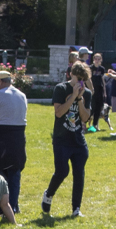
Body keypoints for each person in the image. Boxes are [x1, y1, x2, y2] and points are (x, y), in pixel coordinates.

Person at [41, 61, 91, 219]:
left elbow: (85, 118)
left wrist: (80, 100)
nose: (80, 82)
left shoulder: (87, 94)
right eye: (78, 78)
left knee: (79, 173)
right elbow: (59, 112)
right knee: (62, 171)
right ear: (71, 75)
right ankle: (48, 194)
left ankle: (76, 208)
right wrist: (73, 97)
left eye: (83, 79)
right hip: (62, 139)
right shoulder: (61, 89)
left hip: (78, 139)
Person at [0, 72, 29, 213]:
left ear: (0, 82)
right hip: (19, 137)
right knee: (15, 173)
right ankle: (14, 206)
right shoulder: (22, 95)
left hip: (3, 137)